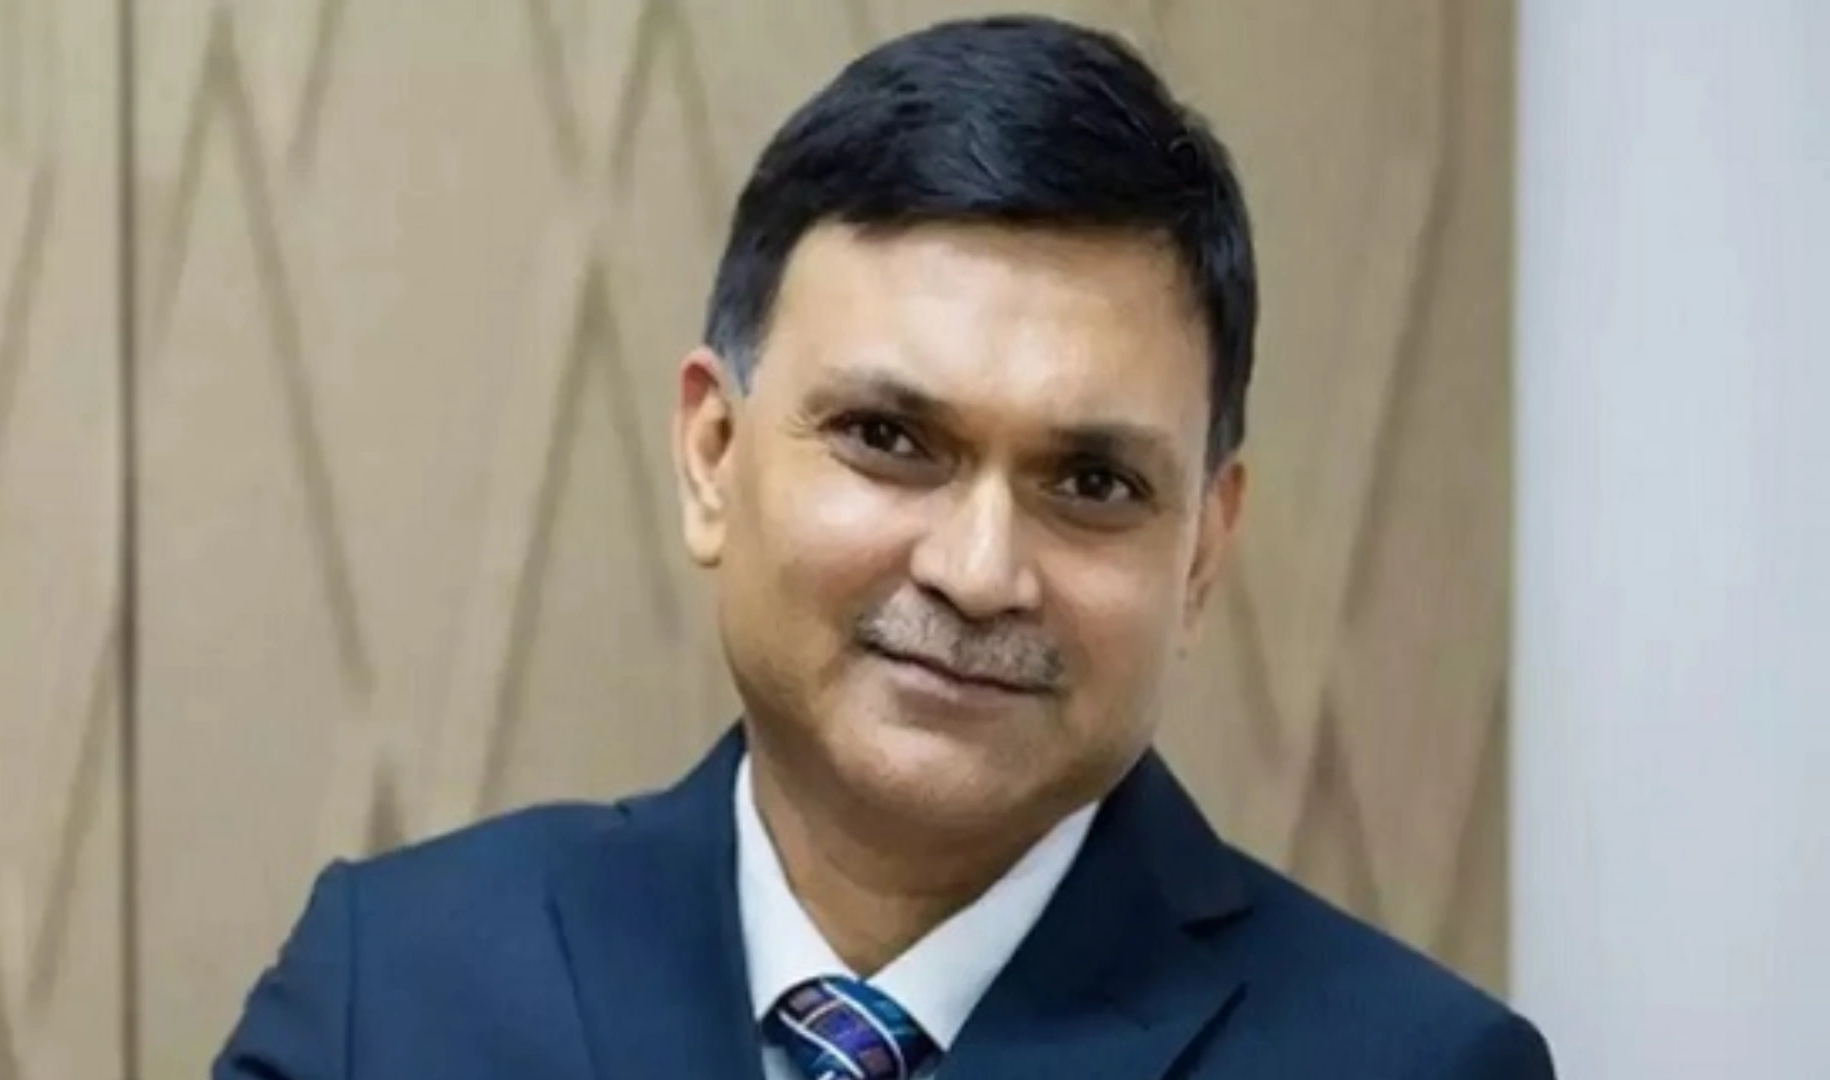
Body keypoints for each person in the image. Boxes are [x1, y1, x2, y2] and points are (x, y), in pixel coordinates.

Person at [215, 14, 1553, 1080]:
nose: (978, 572)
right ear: (714, 455)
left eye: (1092, 481)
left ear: (1200, 553)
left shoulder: (1415, 1065)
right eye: (889, 439)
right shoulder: (392, 994)